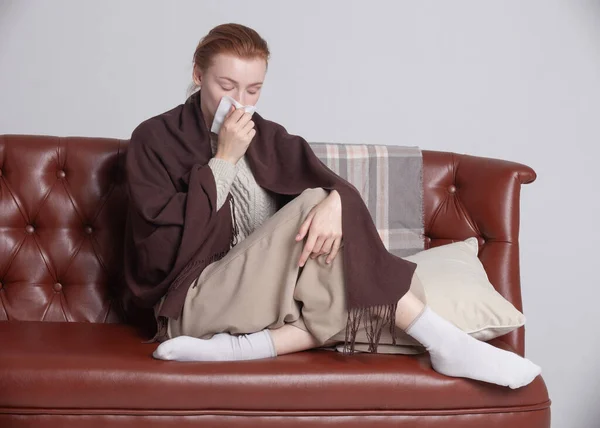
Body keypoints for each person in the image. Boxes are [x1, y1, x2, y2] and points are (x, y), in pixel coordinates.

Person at [128, 23, 541, 389]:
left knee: (330, 218)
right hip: (193, 303)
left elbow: (333, 188)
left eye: (253, 90)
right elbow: (160, 249)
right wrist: (225, 160)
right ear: (199, 76)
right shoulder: (154, 139)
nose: (239, 103)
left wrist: (337, 201)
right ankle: (445, 340)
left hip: (268, 300)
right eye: (226, 86)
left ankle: (240, 348)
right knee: (319, 210)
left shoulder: (269, 137)